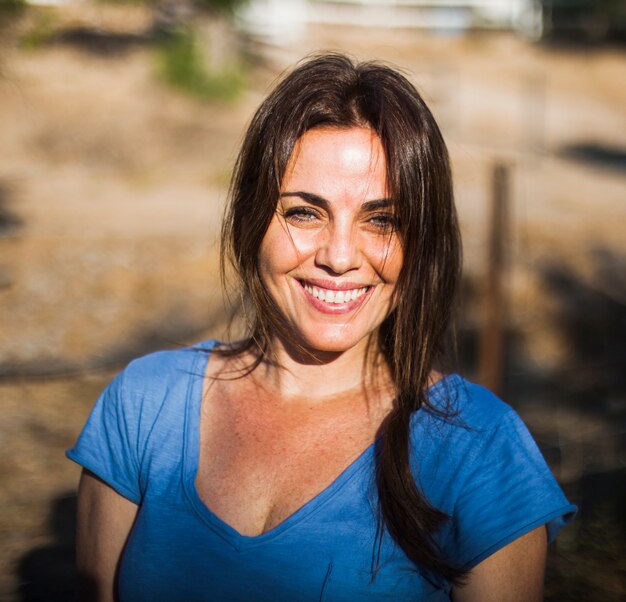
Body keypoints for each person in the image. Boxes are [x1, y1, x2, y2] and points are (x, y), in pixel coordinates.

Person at [67, 53, 575, 601]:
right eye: (304, 212)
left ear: (419, 243)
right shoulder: (144, 404)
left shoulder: (478, 446)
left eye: (382, 220)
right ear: (251, 221)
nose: (339, 257)